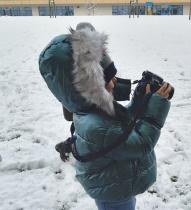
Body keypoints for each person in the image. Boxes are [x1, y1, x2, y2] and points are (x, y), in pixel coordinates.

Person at [39, 22, 172, 209]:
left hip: (116, 181)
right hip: (113, 192)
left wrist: (140, 99)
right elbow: (141, 144)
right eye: (109, 77)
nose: (115, 79)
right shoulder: (98, 125)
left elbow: (124, 126)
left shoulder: (91, 107)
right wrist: (156, 107)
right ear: (92, 85)